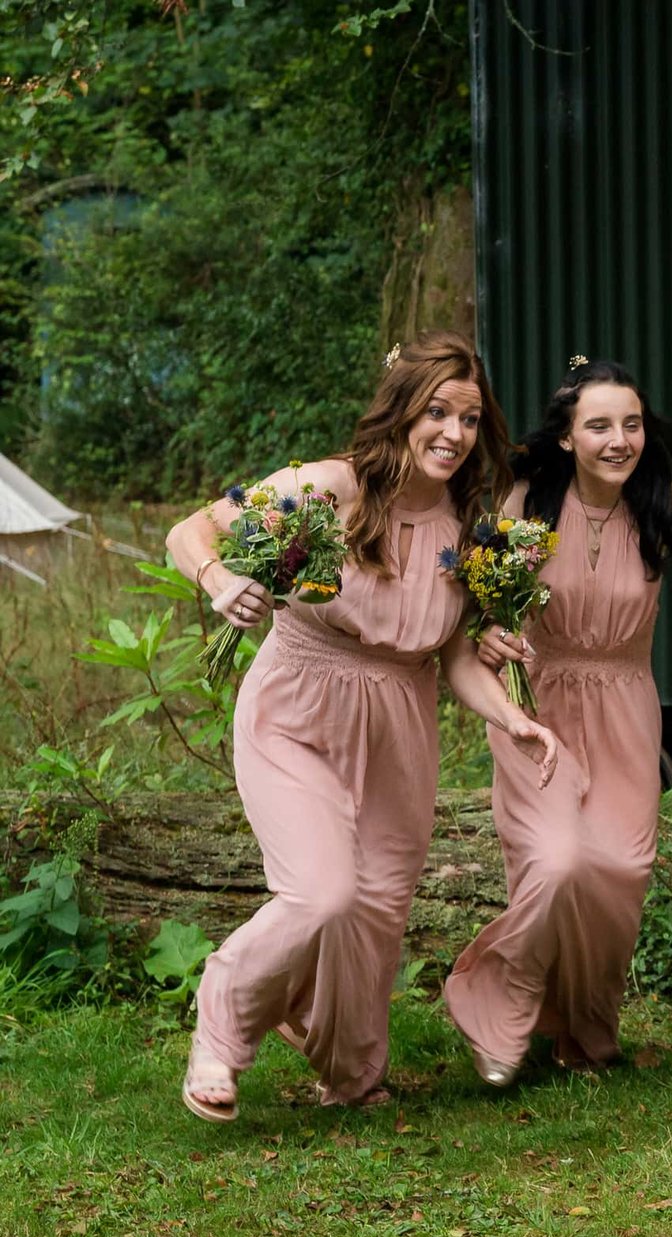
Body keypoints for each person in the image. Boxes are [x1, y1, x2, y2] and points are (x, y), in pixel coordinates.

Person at [168, 331, 560, 1122]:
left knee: (376, 908)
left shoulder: (466, 526)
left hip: (398, 730)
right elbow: (191, 530)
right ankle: (224, 1020)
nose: (453, 433)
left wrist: (513, 717)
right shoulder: (332, 488)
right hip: (297, 710)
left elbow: (448, 653)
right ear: (402, 411)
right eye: (437, 412)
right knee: (320, 894)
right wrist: (218, 580)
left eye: (471, 418)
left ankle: (351, 1075)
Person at [446, 358, 672, 1084]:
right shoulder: (525, 502)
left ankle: (584, 1031)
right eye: (599, 425)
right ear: (568, 438)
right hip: (534, 702)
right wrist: (484, 631)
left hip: (625, 707)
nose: (618, 439)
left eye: (631, 424)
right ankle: (502, 1006)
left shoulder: (664, 505)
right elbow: (469, 603)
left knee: (619, 868)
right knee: (558, 859)